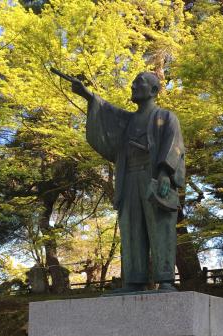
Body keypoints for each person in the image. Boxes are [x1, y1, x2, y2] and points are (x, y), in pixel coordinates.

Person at [72, 72, 185, 292]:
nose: (133, 86)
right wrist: (87, 95)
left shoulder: (165, 117)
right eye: (132, 82)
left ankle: (165, 280)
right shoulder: (127, 121)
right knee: (131, 228)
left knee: (160, 226)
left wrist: (164, 172)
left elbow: (175, 145)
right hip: (129, 177)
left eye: (139, 83)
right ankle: (134, 280)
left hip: (153, 176)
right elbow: (107, 111)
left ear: (153, 90)